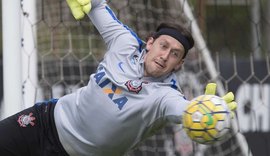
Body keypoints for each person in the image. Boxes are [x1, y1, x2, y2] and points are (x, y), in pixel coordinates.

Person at [0, 0, 237, 156]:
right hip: (45, 122)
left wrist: (204, 111)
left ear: (180, 64)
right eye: (163, 46)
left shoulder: (165, 96)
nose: (165, 55)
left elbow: (183, 109)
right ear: (151, 43)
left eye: (175, 54)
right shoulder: (125, 43)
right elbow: (97, 7)